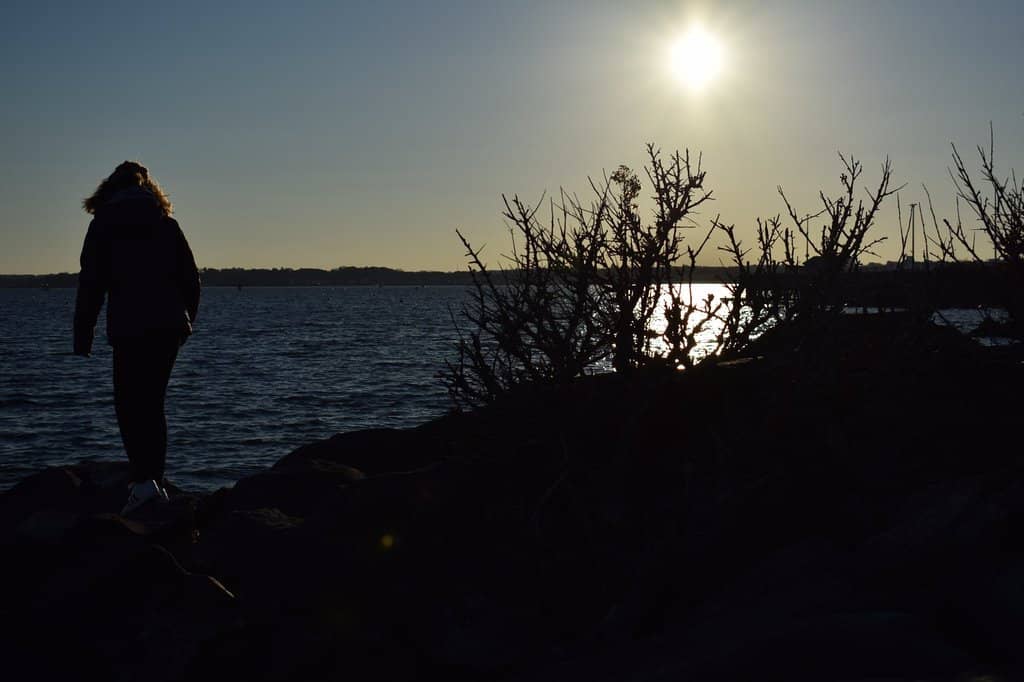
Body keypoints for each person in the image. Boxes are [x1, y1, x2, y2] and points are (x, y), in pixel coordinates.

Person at [73, 161, 200, 515]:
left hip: (130, 327)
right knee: (152, 404)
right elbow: (191, 279)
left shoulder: (103, 225)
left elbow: (91, 284)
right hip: (168, 326)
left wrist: (83, 335)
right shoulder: (165, 223)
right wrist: (186, 322)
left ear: (109, 188)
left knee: (129, 405)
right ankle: (151, 481)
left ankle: (144, 482)